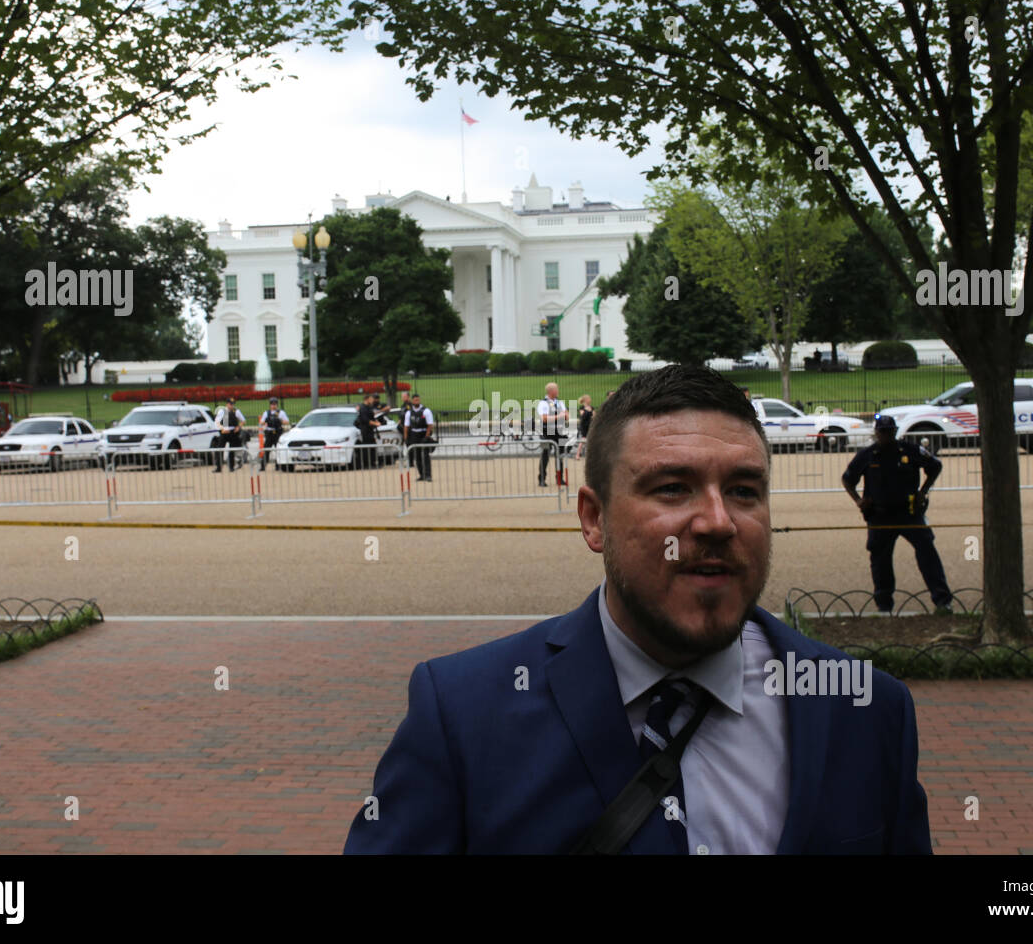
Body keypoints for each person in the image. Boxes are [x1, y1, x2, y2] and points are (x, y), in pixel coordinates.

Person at [345, 365, 931, 854]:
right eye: (672, 488)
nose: (719, 522)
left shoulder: (866, 708)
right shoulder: (462, 716)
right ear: (593, 519)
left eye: (745, 490)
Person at [842, 414, 953, 615]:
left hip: (909, 513)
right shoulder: (868, 454)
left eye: (889, 431)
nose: (885, 435)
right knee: (880, 560)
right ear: (876, 433)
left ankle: (942, 601)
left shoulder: (910, 450)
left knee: (927, 553)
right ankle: (884, 605)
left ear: (894, 431)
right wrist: (859, 501)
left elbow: (935, 466)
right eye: (882, 432)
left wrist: (923, 491)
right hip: (880, 515)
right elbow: (847, 479)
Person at [536, 381, 568, 487]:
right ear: (551, 391)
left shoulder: (560, 402)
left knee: (560, 455)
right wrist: (559, 416)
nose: (558, 391)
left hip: (559, 431)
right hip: (547, 432)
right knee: (545, 455)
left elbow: (566, 415)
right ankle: (542, 479)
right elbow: (544, 418)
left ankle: (560, 478)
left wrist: (563, 416)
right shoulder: (543, 403)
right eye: (556, 389)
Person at [403, 393, 436, 481]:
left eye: (418, 399)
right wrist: (406, 439)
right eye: (415, 400)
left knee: (425, 456)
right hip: (414, 435)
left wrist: (427, 437)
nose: (417, 401)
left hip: (423, 434)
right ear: (412, 401)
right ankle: (422, 475)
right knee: (417, 457)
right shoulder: (409, 412)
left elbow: (430, 425)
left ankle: (428, 475)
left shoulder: (426, 411)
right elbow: (406, 426)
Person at [212, 397, 246, 472]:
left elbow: (243, 420)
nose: (232, 406)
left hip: (233, 432)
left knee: (231, 451)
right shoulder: (222, 411)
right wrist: (222, 429)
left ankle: (231, 467)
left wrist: (238, 427)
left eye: (233, 404)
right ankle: (219, 467)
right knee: (219, 449)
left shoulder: (236, 411)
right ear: (227, 404)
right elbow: (217, 422)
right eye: (230, 404)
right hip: (224, 433)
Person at [258, 397, 290, 471]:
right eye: (272, 404)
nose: (273, 406)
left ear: (277, 405)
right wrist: (266, 420)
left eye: (275, 404)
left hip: (277, 432)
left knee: (278, 450)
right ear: (270, 405)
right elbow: (261, 422)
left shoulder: (281, 413)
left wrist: (279, 420)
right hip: (269, 433)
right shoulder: (266, 413)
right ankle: (263, 466)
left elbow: (287, 421)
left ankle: (278, 466)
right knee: (266, 450)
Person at [354, 394, 383, 468]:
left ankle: (373, 463)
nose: (372, 400)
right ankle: (367, 464)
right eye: (371, 398)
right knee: (367, 448)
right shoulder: (363, 408)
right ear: (367, 399)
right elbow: (366, 420)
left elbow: (372, 416)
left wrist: (376, 421)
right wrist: (376, 423)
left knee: (372, 447)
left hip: (370, 430)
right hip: (366, 430)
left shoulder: (368, 407)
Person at [573, 394, 594, 460]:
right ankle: (577, 454)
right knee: (583, 439)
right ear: (585, 400)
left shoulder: (592, 407)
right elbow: (583, 415)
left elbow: (594, 415)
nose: (590, 400)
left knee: (590, 439)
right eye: (588, 399)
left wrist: (590, 412)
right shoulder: (582, 407)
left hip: (590, 424)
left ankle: (589, 455)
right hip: (584, 425)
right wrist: (588, 411)